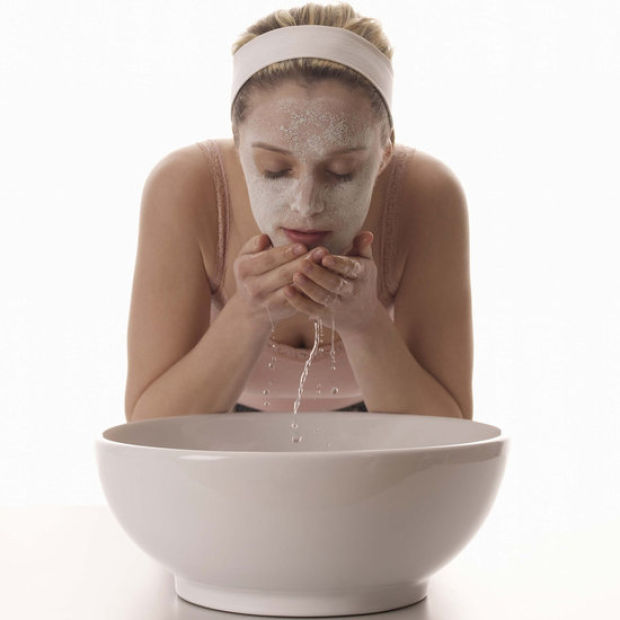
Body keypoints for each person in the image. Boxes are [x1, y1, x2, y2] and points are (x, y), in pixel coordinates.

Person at [124, 2, 473, 422]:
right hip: (211, 431)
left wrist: (365, 323)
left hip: (388, 434)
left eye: (342, 172)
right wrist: (249, 313)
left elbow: (451, 434)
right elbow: (146, 430)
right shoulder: (187, 187)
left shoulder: (426, 194)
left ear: (384, 152)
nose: (306, 205)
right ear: (238, 143)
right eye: (274, 169)